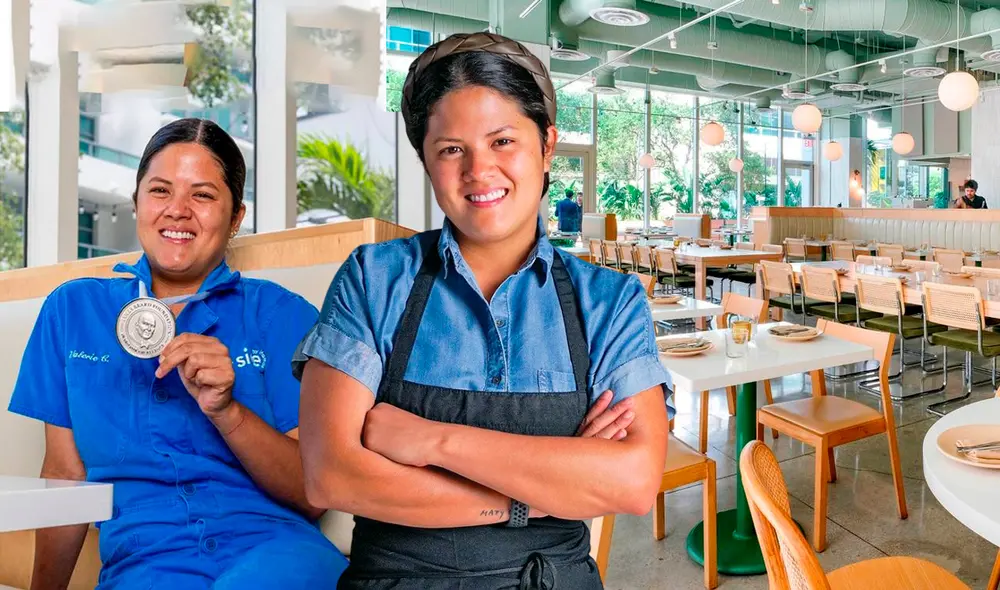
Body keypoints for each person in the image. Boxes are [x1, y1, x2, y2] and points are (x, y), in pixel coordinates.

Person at [294, 32, 671, 589]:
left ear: (546, 145)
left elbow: (634, 482)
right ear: (427, 159)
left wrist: (430, 441)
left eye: (502, 141)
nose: (478, 170)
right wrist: (537, 494)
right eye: (451, 149)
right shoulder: (374, 280)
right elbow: (329, 476)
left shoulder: (610, 301)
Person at [8, 119, 347, 589]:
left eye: (203, 195)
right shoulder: (72, 311)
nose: (178, 211)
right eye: (160, 190)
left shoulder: (279, 314)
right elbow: (65, 477)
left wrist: (227, 411)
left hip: (274, 552)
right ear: (137, 203)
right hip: (145, 564)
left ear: (235, 218)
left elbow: (314, 495)